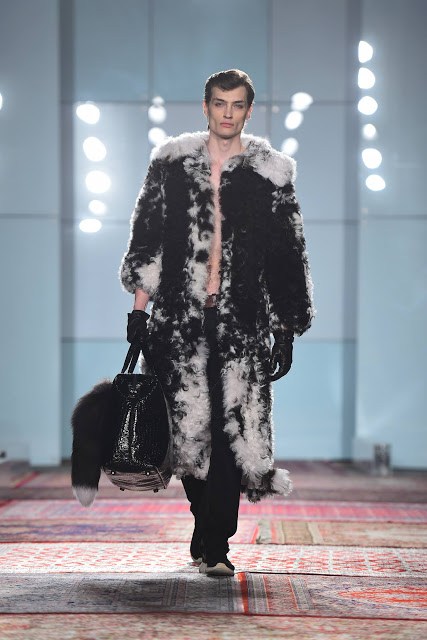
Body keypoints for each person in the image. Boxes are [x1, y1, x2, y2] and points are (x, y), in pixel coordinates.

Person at [120, 69, 315, 577]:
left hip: (242, 323)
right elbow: (148, 241)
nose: (228, 113)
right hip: (177, 322)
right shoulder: (171, 165)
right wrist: (139, 311)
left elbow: (287, 254)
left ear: (249, 110)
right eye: (220, 103)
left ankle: (217, 541)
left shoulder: (270, 173)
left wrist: (285, 328)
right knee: (186, 431)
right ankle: (204, 521)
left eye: (238, 104)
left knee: (232, 433)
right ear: (205, 106)